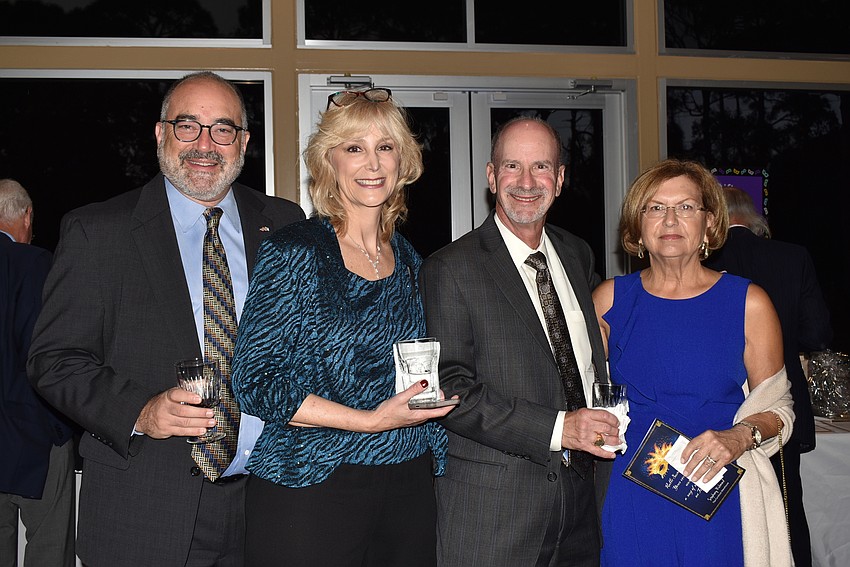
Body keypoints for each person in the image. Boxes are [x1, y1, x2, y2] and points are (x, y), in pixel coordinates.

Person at [27, 71, 305, 567]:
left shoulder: (285, 224)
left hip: (271, 504)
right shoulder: (99, 231)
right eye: (187, 126)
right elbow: (54, 360)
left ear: (243, 143)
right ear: (160, 134)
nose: (205, 144)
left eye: (223, 129)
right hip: (145, 509)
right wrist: (141, 412)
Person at [231, 87, 454, 567]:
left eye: (385, 147)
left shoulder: (414, 260)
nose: (372, 163)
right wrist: (370, 421)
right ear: (329, 161)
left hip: (407, 483)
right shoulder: (295, 252)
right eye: (355, 148)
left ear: (403, 160)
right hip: (310, 486)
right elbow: (255, 383)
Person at [419, 117, 620, 567]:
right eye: (512, 166)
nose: (527, 182)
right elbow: (450, 388)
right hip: (496, 513)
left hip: (584, 500)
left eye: (541, 167)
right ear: (491, 177)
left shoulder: (576, 254)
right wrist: (559, 428)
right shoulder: (450, 268)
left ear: (561, 179)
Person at [592, 159, 794, 566]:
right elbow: (584, 394)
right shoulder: (609, 299)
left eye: (686, 207)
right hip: (630, 492)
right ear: (637, 226)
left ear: (709, 224)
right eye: (655, 207)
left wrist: (738, 437)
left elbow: (780, 409)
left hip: (715, 491)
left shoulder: (749, 302)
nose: (670, 219)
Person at [705, 185, 832, 567]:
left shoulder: (700, 261)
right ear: (756, 220)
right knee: (788, 504)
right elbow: (818, 335)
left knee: (716, 505)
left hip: (718, 401)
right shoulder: (793, 257)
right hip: (779, 403)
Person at [0, 179, 76, 567]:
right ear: (27, 216)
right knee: (49, 550)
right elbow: (48, 354)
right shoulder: (35, 264)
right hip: (34, 435)